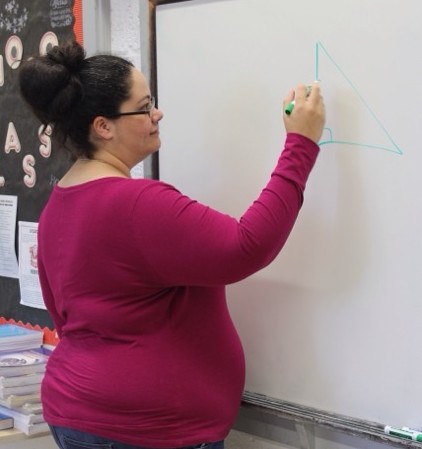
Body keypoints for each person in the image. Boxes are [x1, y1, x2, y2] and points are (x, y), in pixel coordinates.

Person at [18, 40, 325, 449]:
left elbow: (66, 317)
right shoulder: (137, 204)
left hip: (78, 414)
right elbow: (246, 246)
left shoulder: (60, 204)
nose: (157, 114)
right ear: (103, 126)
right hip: (141, 432)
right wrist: (300, 146)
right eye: (144, 107)